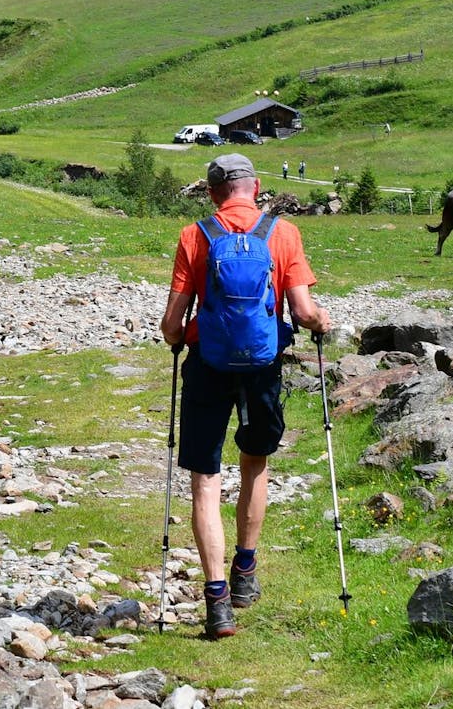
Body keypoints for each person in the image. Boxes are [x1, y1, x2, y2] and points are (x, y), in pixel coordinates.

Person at [161, 153, 332, 639]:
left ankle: (216, 604)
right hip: (261, 366)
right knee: (255, 461)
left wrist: (178, 339)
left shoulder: (195, 235)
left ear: (213, 192)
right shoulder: (283, 233)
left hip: (208, 364)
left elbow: (172, 325)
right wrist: (322, 322)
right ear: (254, 186)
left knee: (205, 480)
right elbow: (302, 311)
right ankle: (246, 573)